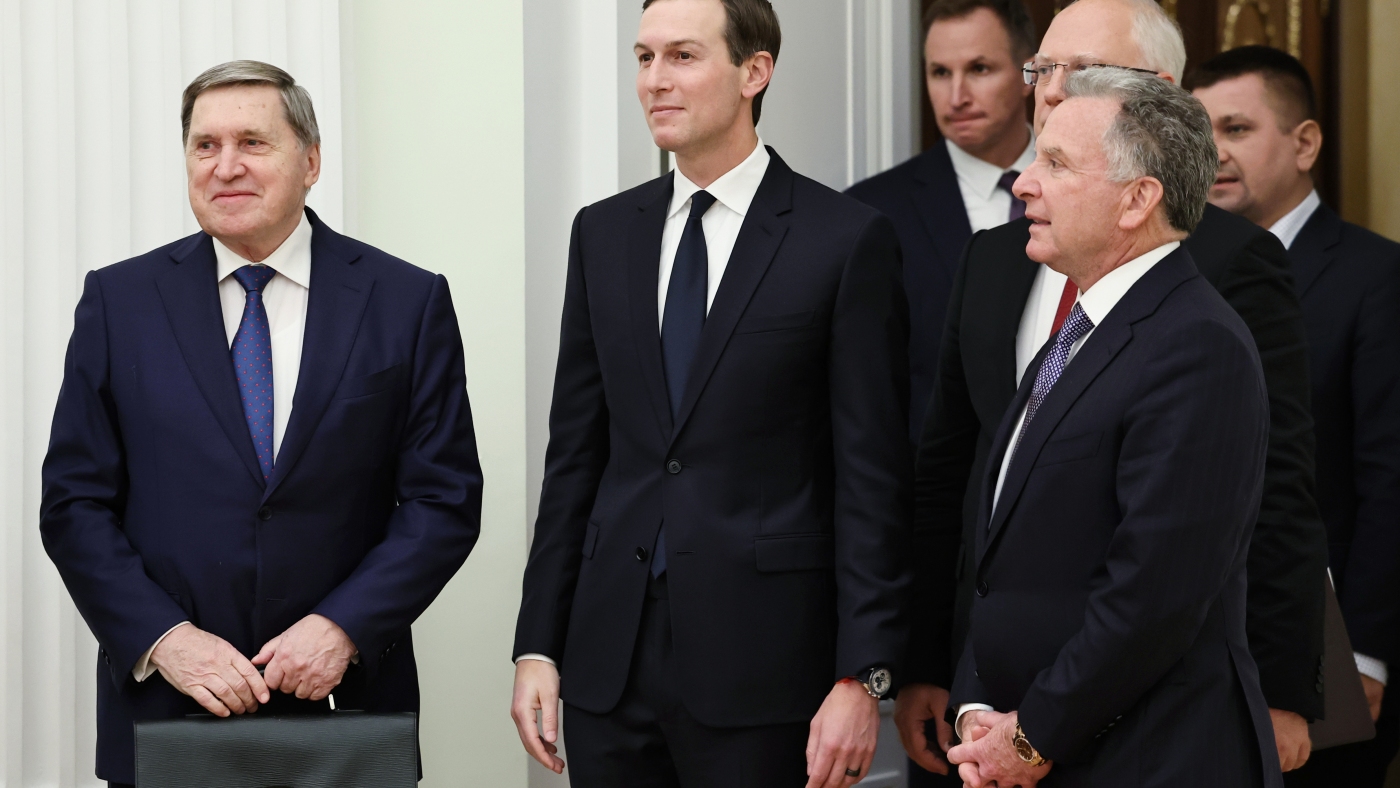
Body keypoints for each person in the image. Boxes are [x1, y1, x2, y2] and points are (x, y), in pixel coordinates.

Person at [897, 0, 1329, 775]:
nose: (1051, 90)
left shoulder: (1208, 314)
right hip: (1001, 715)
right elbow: (964, 487)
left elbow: (1223, 534)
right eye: (1043, 69)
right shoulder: (1020, 279)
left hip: (1144, 735)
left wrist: (1285, 687)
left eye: (1083, 73)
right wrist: (963, 690)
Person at [39, 61, 483, 787]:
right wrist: (165, 640)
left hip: (346, 710)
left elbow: (444, 500)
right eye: (205, 146)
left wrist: (343, 627)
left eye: (252, 142)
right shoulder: (119, 302)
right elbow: (73, 503)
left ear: (311, 161)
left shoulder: (406, 300)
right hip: (166, 712)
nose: (225, 166)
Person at [509, 0, 912, 785]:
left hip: (766, 668)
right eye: (644, 58)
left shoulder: (844, 239)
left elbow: (873, 481)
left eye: (683, 56)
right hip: (608, 663)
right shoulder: (602, 234)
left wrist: (863, 676)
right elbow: (575, 460)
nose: (654, 80)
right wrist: (538, 645)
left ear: (754, 71)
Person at [943, 67, 1279, 788]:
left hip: (1151, 759)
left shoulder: (1197, 345)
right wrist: (975, 705)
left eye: (1057, 164)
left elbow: (1153, 597)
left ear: (1137, 200)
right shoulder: (1083, 329)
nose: (1024, 183)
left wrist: (1030, 738)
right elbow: (1003, 559)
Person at [1189, 45, 1400, 787]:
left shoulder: (1377, 277)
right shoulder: (1177, 273)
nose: (1213, 153)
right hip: (1194, 656)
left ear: (1305, 143)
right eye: (1200, 132)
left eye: (1237, 129)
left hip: (1328, 653)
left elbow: (1391, 478)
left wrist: (1368, 654)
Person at [847, 0, 1037, 443]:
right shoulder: (870, 214)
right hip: (934, 479)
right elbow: (865, 398)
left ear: (1030, 74)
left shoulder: (1088, 191)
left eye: (979, 69)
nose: (956, 97)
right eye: (939, 73)